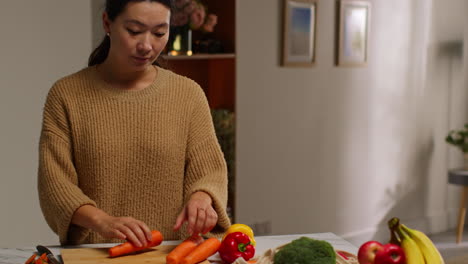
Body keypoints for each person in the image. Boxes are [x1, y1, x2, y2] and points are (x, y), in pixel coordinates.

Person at [38, 0, 230, 246]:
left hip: (174, 253)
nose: (147, 45)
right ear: (107, 23)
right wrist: (102, 221)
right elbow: (55, 184)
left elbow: (210, 170)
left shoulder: (188, 94)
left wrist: (202, 199)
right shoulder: (66, 94)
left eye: (160, 33)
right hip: (99, 251)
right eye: (134, 31)